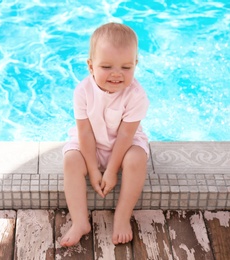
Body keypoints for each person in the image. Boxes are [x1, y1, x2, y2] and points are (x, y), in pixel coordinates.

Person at [60, 22, 149, 247]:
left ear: (135, 65)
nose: (117, 74)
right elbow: (85, 132)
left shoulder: (136, 96)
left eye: (126, 68)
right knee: (71, 159)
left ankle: (122, 216)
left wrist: (111, 170)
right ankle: (80, 221)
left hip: (124, 145)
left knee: (137, 158)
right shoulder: (83, 91)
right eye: (107, 66)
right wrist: (92, 169)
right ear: (91, 66)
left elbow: (126, 136)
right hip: (92, 144)